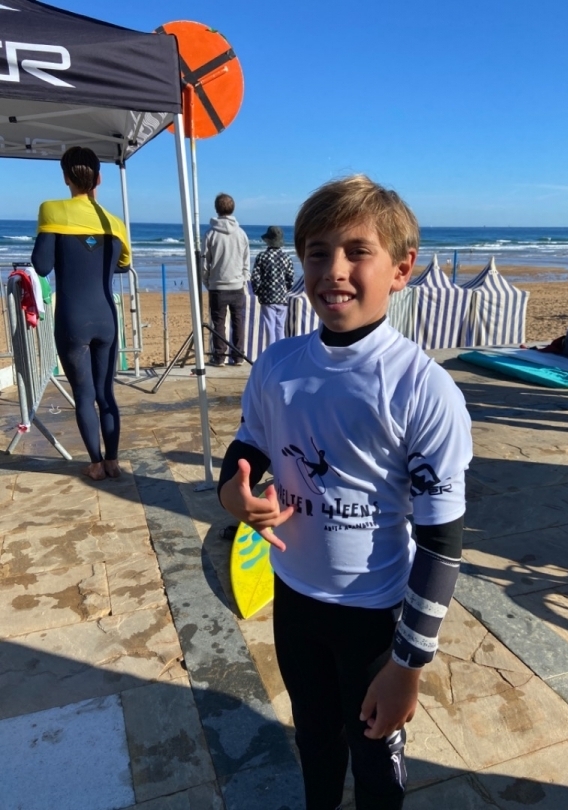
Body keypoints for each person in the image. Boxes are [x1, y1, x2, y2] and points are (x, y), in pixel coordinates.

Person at [218, 175, 473, 810]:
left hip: (375, 616)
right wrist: (233, 497)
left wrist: (407, 666)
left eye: (358, 252)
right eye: (317, 252)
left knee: (376, 761)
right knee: (315, 740)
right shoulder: (277, 365)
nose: (334, 269)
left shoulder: (422, 388)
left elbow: (442, 543)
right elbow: (248, 447)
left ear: (401, 269)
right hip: (294, 599)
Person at [31, 146, 131, 481]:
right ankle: (113, 461)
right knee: (107, 395)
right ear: (99, 179)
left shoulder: (51, 210)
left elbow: (41, 265)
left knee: (85, 396)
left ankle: (96, 464)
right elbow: (123, 264)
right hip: (106, 317)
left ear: (66, 178)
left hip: (72, 319)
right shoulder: (114, 223)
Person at [201, 193, 250, 366]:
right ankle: (238, 356)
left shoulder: (210, 234)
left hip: (218, 285)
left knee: (219, 323)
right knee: (238, 321)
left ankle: (220, 356)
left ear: (216, 209)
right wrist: (244, 279)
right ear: (233, 208)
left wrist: (207, 281)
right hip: (236, 285)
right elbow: (246, 260)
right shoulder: (241, 234)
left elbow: (204, 262)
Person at [251, 226, 294, 346]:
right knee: (280, 327)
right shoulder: (286, 258)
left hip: (267, 297)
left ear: (268, 240)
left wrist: (258, 291)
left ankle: (271, 350)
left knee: (270, 327)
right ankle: (280, 350)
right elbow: (290, 279)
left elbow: (255, 278)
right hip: (282, 297)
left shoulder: (262, 256)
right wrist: (285, 290)